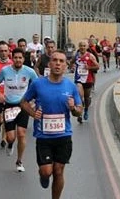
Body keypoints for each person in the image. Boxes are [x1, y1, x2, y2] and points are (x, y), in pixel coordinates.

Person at [20, 51, 82, 199]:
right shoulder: (38, 84)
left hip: (64, 136)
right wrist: (33, 113)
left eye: (61, 61)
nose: (58, 64)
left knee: (59, 171)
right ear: (49, 64)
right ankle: (43, 176)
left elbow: (79, 111)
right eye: (55, 60)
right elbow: (23, 102)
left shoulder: (71, 86)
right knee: (47, 171)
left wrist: (74, 108)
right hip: (44, 136)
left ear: (66, 66)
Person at [0, 48, 39, 172]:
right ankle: (10, 144)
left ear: (23, 59)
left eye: (20, 58)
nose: (18, 60)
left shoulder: (29, 72)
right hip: (9, 106)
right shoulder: (5, 71)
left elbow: (37, 86)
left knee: (21, 134)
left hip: (23, 106)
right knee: (11, 137)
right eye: (16, 57)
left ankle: (19, 161)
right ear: (12, 58)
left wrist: (35, 100)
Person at [72, 41, 99, 123]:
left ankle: (86, 109)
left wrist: (89, 67)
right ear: (79, 47)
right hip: (78, 79)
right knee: (79, 96)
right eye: (81, 46)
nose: (82, 47)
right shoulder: (76, 56)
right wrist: (72, 66)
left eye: (84, 46)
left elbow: (97, 66)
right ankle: (80, 114)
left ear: (87, 47)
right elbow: (70, 63)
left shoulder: (90, 56)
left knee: (87, 98)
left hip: (88, 79)